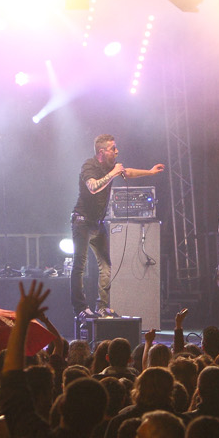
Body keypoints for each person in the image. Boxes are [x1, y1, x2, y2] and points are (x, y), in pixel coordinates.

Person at [70, 133, 164, 318]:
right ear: (102, 151)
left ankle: (102, 307)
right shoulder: (89, 165)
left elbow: (127, 172)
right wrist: (112, 173)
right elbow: (93, 187)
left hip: (98, 223)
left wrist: (150, 172)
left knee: (106, 266)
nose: (117, 151)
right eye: (113, 148)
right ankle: (81, 309)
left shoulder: (110, 166)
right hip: (82, 222)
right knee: (79, 266)